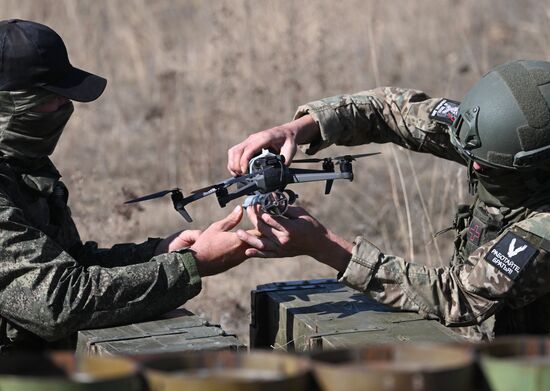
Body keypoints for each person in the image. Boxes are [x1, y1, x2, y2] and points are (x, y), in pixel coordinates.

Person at [230, 59, 550, 341]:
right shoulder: (486, 135)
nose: (474, 165)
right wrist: (297, 129)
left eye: (488, 166)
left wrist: (325, 246)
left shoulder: (543, 228)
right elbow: (389, 109)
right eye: (471, 155)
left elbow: (459, 295)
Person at [0, 19, 251, 351]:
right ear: (13, 103)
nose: (66, 107)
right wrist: (192, 265)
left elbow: (70, 264)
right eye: (52, 97)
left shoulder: (22, 161)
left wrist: (157, 254)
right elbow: (56, 302)